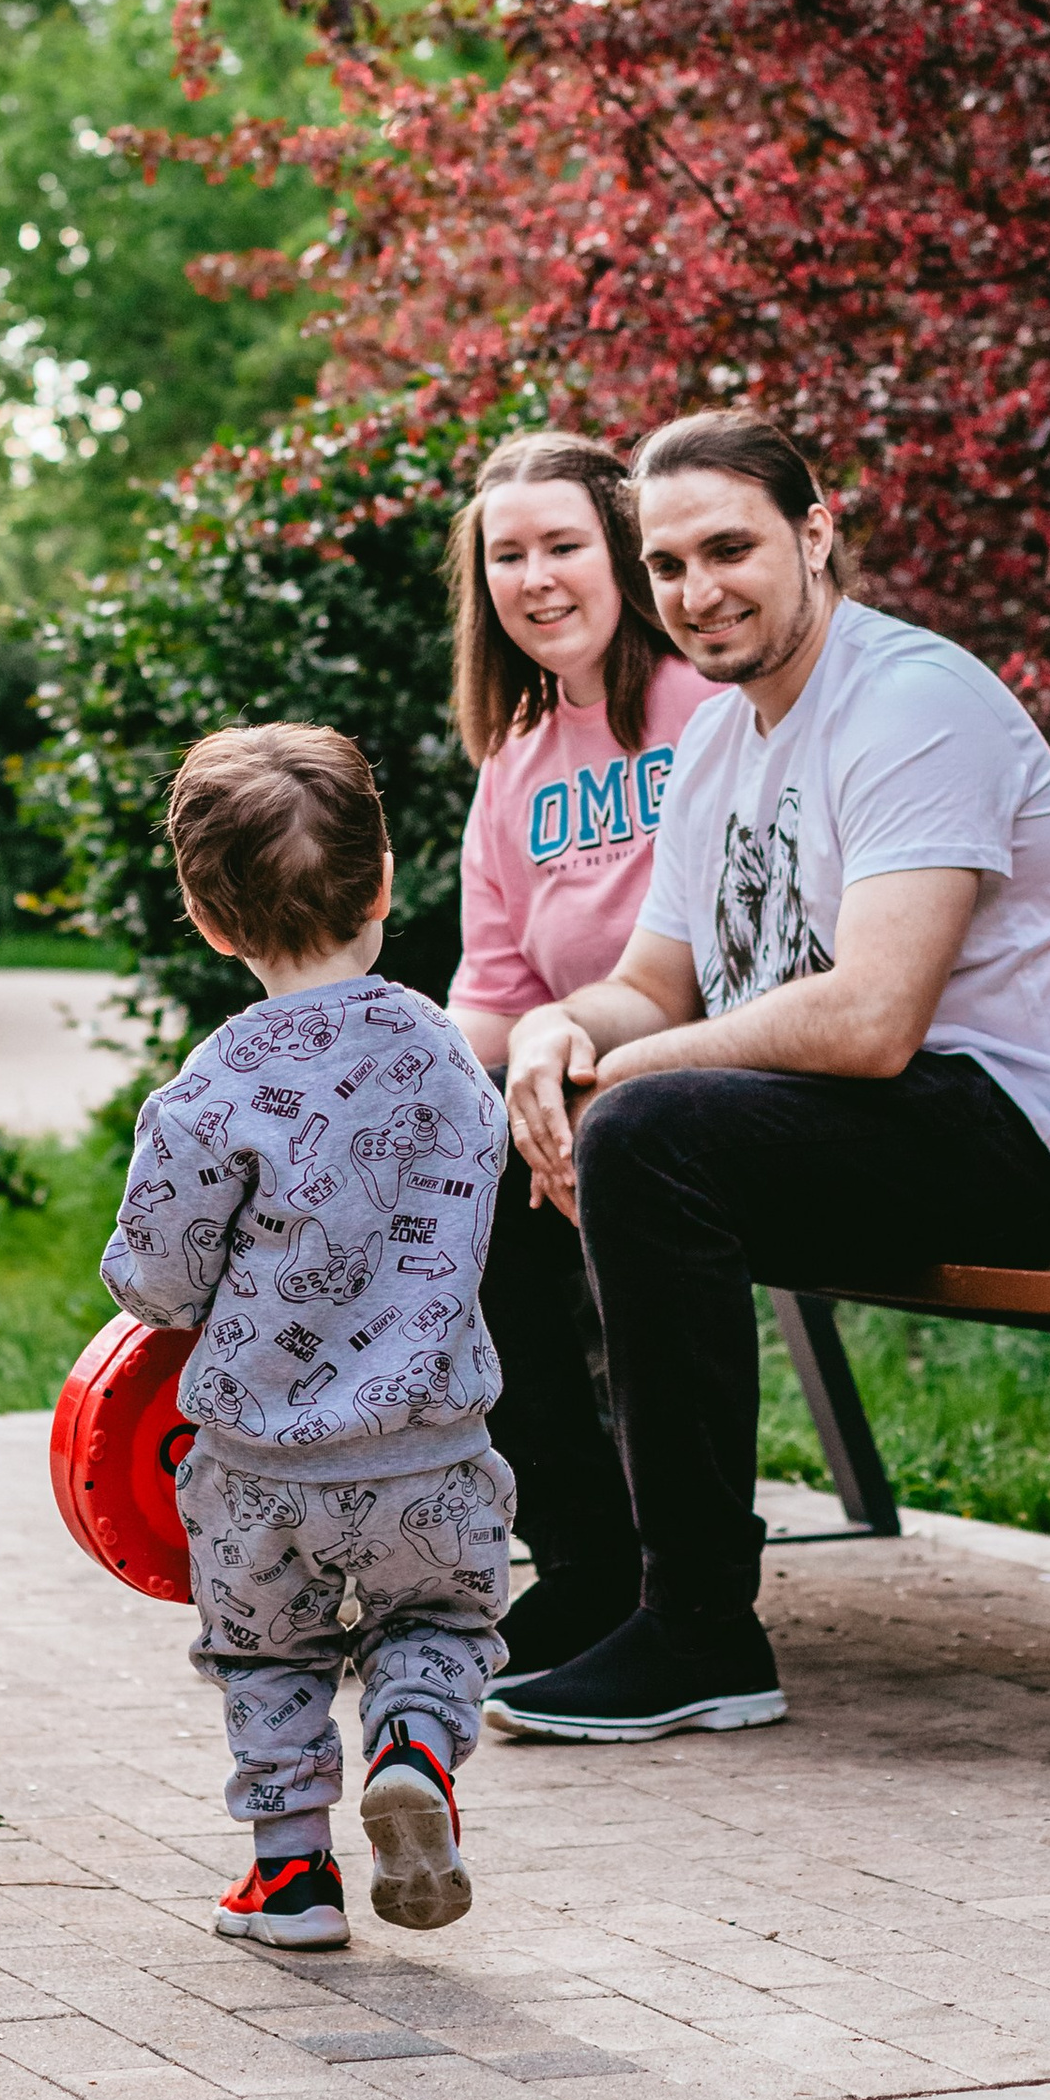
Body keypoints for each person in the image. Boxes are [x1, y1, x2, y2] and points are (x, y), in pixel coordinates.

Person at [485, 410, 1050, 1746]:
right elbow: (653, 983)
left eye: (729, 549)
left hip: (1009, 1126)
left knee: (644, 1130)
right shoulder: (719, 742)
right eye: (667, 565)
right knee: (499, 1136)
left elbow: (873, 1019)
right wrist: (552, 1037)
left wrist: (622, 1075)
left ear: (816, 532)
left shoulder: (911, 703)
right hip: (857, 1123)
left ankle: (701, 1631)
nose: (697, 591)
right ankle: (598, 1577)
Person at [99, 721, 512, 1951]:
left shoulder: (213, 1085)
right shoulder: (443, 1051)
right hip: (431, 1452)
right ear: (384, 882)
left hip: (258, 1471)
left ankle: (290, 1882)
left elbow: (158, 1280)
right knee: (438, 1627)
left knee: (264, 1658)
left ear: (206, 919)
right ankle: (414, 1751)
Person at [444, 431, 720, 1672]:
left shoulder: (708, 707)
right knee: (448, 1164)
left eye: (562, 544)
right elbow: (494, 999)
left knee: (559, 1150)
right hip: (566, 1089)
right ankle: (583, 1559)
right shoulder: (512, 768)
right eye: (508, 556)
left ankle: (658, 1581)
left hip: (705, 1082)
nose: (536, 577)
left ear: (621, 550)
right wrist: (384, 1079)